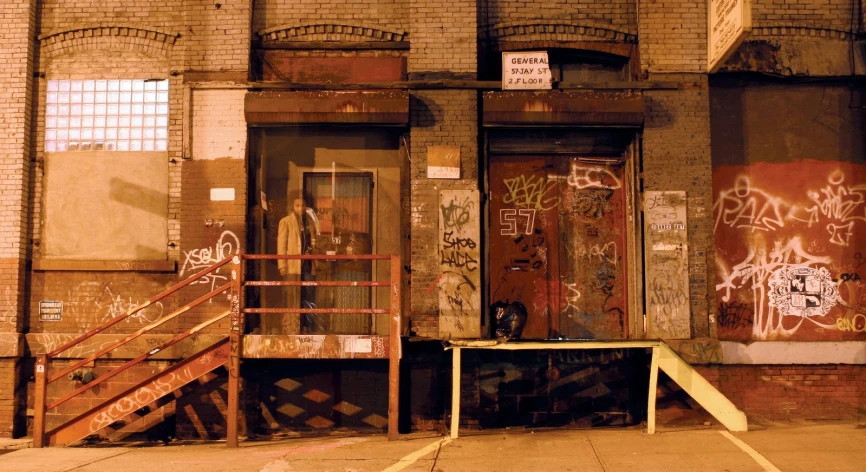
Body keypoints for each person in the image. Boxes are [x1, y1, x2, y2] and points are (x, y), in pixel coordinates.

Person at [275, 198, 316, 334]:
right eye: (297, 205)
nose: (300, 208)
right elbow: (281, 244)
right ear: (292, 207)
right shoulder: (286, 222)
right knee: (291, 297)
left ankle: (305, 327)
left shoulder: (309, 222)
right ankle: (289, 329)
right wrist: (282, 265)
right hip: (293, 266)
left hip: (307, 266)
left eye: (303, 205)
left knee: (307, 297)